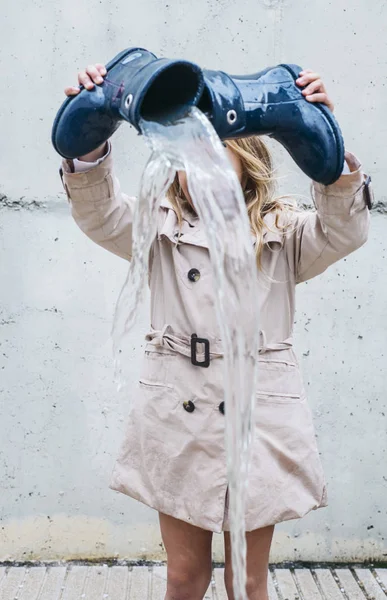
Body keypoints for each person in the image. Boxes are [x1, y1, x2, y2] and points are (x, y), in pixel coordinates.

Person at [60, 63, 371, 600]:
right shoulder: (157, 226)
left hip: (259, 415)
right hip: (179, 412)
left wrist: (325, 139)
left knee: (247, 579)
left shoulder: (283, 231)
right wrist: (91, 133)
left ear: (245, 163)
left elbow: (344, 228)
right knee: (184, 577)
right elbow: (98, 212)